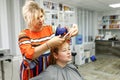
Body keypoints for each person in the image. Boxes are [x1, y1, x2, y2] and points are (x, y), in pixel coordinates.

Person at [18, 1, 78, 80]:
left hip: (48, 72)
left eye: (41, 16)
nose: (41, 20)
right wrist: (49, 44)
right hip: (32, 73)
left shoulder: (50, 29)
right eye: (37, 18)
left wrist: (74, 30)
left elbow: (66, 31)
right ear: (29, 20)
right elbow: (29, 55)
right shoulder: (24, 35)